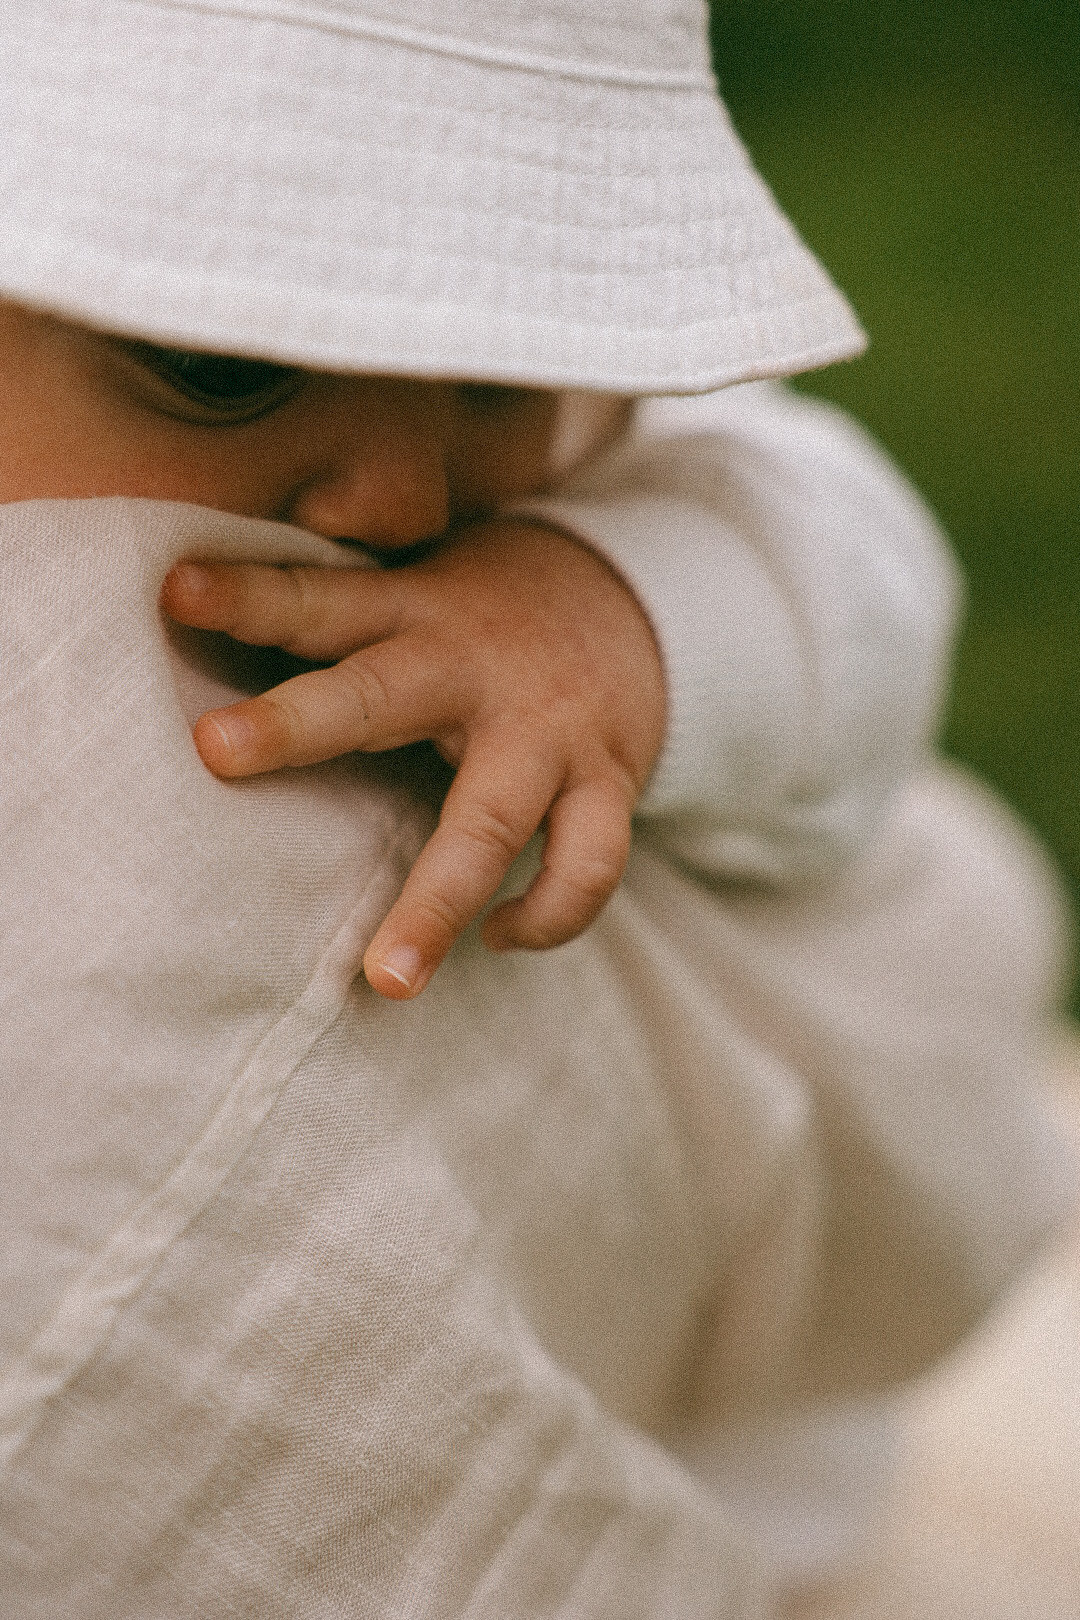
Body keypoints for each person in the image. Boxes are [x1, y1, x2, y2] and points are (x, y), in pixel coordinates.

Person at [0, 2, 1074, 1615]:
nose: (404, 496)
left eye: (503, 382)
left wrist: (612, 609)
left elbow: (854, 555)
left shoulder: (613, 473)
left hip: (728, 1383)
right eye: (227, 366)